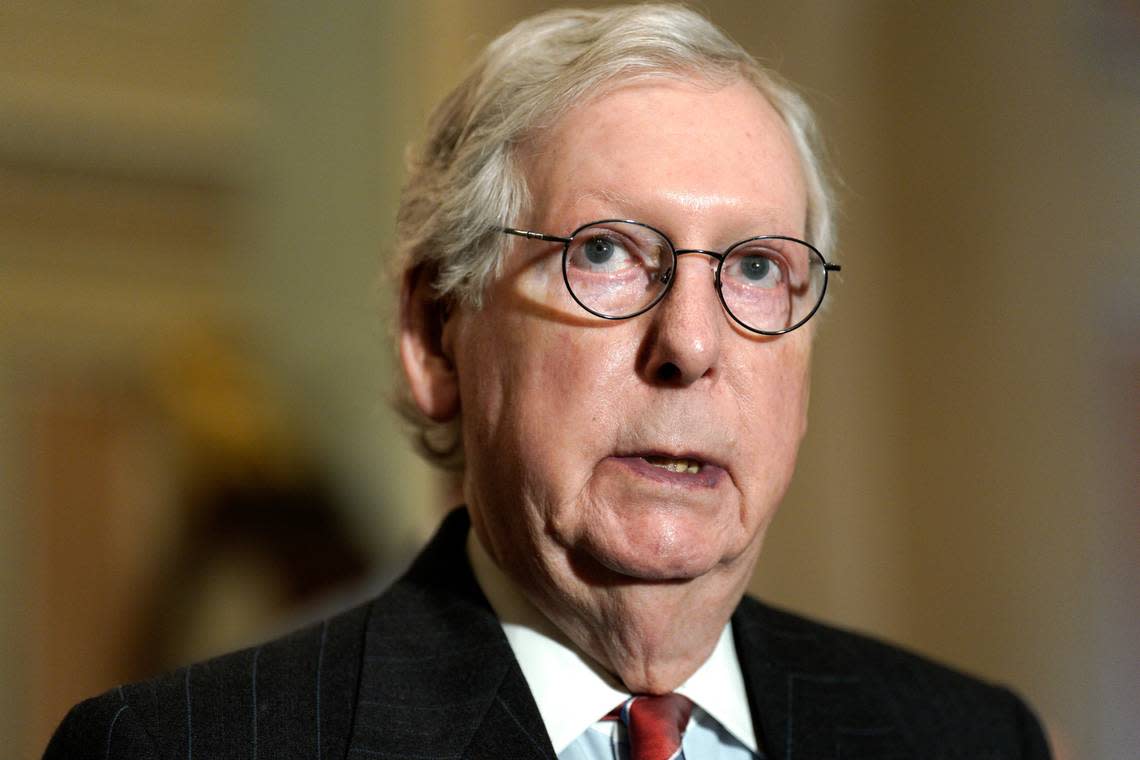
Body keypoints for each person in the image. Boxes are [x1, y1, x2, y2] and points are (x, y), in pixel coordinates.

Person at [45, 5, 1051, 759]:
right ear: (437, 335)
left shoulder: (968, 738)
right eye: (606, 252)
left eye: (754, 266)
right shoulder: (180, 748)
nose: (691, 344)